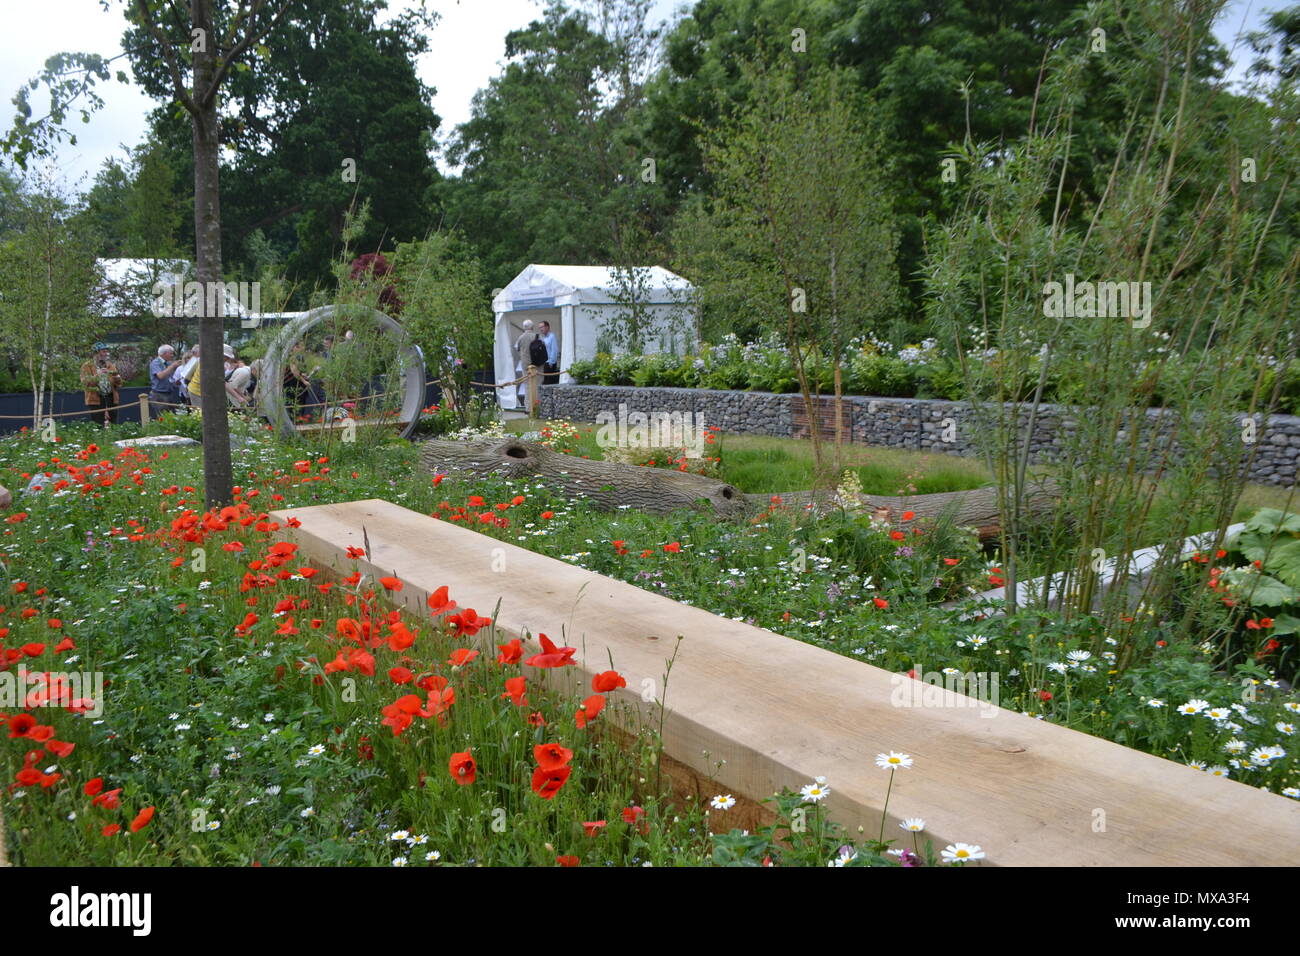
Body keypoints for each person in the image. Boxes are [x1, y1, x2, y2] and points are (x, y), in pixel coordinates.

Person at [80, 343, 122, 426]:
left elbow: (119, 384)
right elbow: (85, 383)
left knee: (114, 424)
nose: (106, 353)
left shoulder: (110, 365)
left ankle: (114, 438)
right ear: (96, 353)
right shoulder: (87, 366)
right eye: (103, 351)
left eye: (107, 351)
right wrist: (97, 375)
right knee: (98, 425)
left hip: (111, 398)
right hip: (96, 399)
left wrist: (117, 377)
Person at [148, 343, 183, 418]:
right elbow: (160, 376)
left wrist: (177, 381)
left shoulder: (168, 363)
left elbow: (171, 378)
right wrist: (173, 366)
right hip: (159, 395)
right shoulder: (155, 363)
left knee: (172, 418)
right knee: (162, 418)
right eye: (171, 353)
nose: (172, 355)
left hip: (169, 393)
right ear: (164, 353)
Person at [512, 318, 535, 405]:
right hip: (536, 364)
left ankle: (528, 405)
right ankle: (537, 404)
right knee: (537, 384)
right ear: (532, 327)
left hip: (525, 363)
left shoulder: (521, 338)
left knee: (527, 385)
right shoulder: (537, 336)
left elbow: (517, 348)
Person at [537, 320, 560, 386]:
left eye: (542, 327)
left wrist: (551, 362)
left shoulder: (552, 336)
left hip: (550, 363)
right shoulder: (542, 337)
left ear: (547, 327)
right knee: (545, 382)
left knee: (549, 382)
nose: (541, 329)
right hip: (544, 363)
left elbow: (554, 350)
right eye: (540, 327)